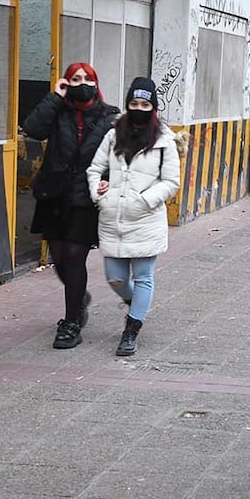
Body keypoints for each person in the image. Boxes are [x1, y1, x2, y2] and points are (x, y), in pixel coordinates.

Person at [23, 62, 119, 349]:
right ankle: (79, 297)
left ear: (95, 82)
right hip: (54, 194)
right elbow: (32, 129)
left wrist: (108, 182)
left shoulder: (110, 116)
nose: (81, 83)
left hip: (85, 198)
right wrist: (55, 96)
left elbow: (119, 155)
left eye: (86, 78)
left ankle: (71, 322)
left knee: (76, 257)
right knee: (60, 260)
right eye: (74, 79)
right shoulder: (58, 111)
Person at [86, 77, 181, 356]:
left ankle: (132, 329)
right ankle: (135, 303)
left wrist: (145, 201)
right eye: (134, 103)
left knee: (143, 277)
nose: (139, 108)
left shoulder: (165, 140)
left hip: (145, 218)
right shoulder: (114, 135)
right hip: (113, 217)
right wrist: (99, 191)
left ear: (153, 107)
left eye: (145, 104)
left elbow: (171, 181)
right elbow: (94, 169)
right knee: (115, 278)